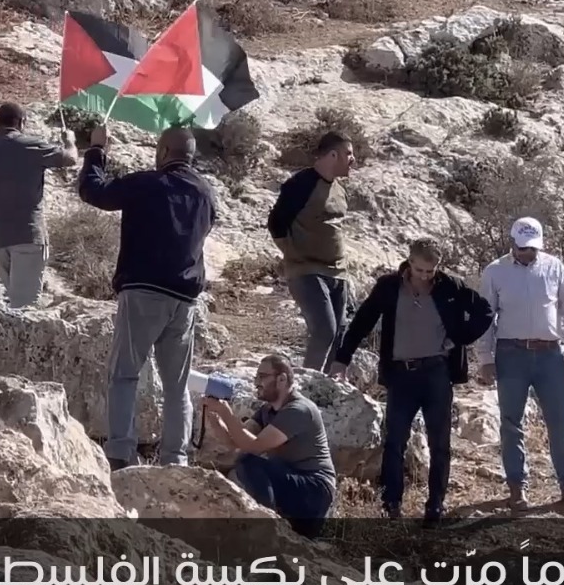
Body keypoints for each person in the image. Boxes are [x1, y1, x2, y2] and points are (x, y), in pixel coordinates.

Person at [79, 124, 218, 470]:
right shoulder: (206, 193)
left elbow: (94, 191)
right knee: (176, 385)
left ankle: (120, 453)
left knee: (124, 374)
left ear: (163, 152)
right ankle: (176, 460)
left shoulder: (146, 183)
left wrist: (97, 151)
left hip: (143, 291)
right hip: (184, 299)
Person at [329, 238, 494, 524]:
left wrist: (458, 338)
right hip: (401, 375)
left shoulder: (450, 286)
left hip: (437, 373)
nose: (425, 276)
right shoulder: (389, 286)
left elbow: (485, 311)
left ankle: (435, 506)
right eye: (420, 270)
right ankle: (391, 505)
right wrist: (341, 359)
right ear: (409, 262)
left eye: (431, 271)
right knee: (395, 441)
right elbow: (363, 321)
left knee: (439, 443)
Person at [477, 216, 564, 509]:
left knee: (560, 423)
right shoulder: (495, 272)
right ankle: (517, 487)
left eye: (533, 248)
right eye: (523, 248)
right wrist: (485, 358)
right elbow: (485, 318)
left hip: (551, 355)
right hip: (511, 354)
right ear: (512, 244)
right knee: (511, 423)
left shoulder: (554, 267)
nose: (528, 253)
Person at [201, 355, 337, 538]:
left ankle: (268, 528)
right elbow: (237, 442)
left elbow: (254, 447)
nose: (256, 382)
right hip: (291, 482)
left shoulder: (298, 410)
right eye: (256, 377)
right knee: (244, 462)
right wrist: (216, 421)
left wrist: (226, 413)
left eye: (262, 376)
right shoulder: (267, 410)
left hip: (314, 492)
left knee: (249, 462)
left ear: (282, 379)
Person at [0, 102, 79, 309]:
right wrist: (69, 141)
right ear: (21, 122)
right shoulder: (30, 145)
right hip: (28, 235)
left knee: (15, 302)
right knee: (26, 307)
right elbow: (70, 159)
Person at [267, 132, 355, 371]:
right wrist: (293, 253)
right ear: (333, 155)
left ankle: (325, 387)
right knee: (324, 330)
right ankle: (307, 384)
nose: (353, 159)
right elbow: (276, 223)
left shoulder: (339, 189)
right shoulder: (301, 184)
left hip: (338, 272)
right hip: (307, 271)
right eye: (348, 153)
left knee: (339, 333)